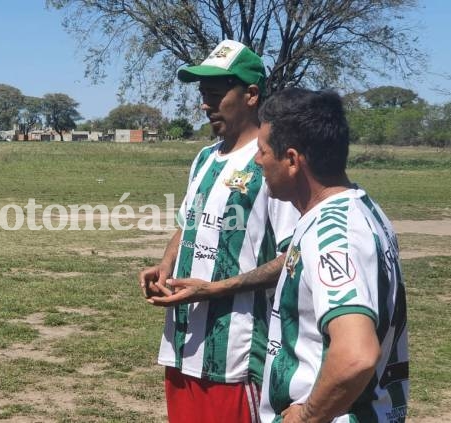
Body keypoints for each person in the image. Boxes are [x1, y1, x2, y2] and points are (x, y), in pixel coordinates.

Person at [139, 39, 299, 423]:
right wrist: (165, 265)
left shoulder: (272, 162)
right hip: (182, 345)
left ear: (251, 95)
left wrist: (214, 290)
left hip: (236, 354)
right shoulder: (205, 158)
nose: (206, 104)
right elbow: (187, 223)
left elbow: (294, 257)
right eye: (203, 94)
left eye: (216, 94)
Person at [254, 88, 408, 422]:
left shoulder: (332, 233)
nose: (257, 161)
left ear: (293, 160)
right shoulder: (361, 209)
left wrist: (307, 416)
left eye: (263, 151)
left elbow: (357, 354)